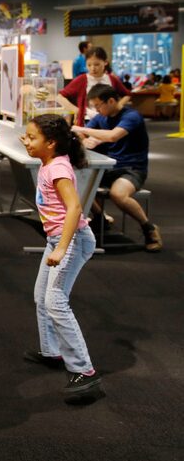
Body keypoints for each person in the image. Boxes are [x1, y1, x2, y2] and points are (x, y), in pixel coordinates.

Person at [20, 114, 101, 400]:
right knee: (41, 296)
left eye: (31, 137)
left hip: (72, 241)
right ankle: (51, 352)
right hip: (59, 240)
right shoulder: (49, 164)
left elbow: (75, 209)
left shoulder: (58, 170)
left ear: (51, 143)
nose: (25, 141)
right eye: (26, 136)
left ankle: (84, 370)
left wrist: (61, 248)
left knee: (55, 301)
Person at [72, 84, 162, 252]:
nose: (97, 110)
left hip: (132, 168)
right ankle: (100, 218)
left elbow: (113, 136)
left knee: (118, 194)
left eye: (98, 105)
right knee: (78, 182)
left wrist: (80, 128)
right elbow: (83, 135)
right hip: (107, 167)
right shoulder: (101, 118)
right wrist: (85, 140)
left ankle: (149, 228)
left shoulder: (132, 116)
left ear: (111, 101)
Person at [58, 46, 129, 124]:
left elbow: (127, 94)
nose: (93, 68)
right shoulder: (82, 79)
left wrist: (118, 106)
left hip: (110, 119)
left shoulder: (112, 79)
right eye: (89, 65)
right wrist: (77, 110)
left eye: (97, 64)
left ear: (105, 62)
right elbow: (60, 97)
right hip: (88, 120)